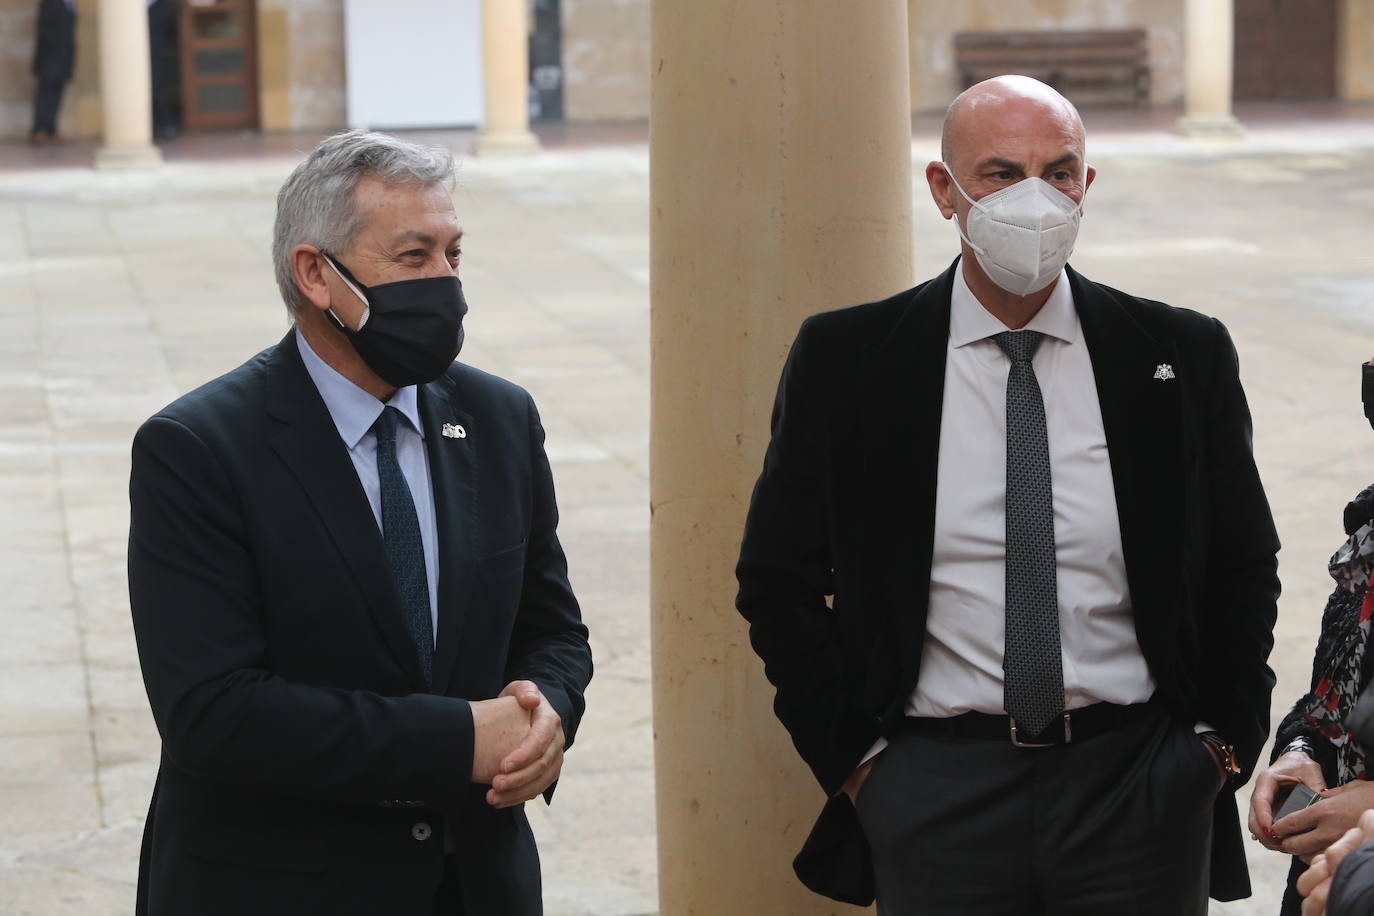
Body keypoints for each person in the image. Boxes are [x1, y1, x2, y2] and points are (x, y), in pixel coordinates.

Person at [734, 75, 1280, 914]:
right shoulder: (850, 360)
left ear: (1087, 187)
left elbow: (1242, 562)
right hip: (935, 788)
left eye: (1059, 172)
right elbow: (778, 581)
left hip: (1137, 784)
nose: (1035, 197)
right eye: (999, 173)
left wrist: (1217, 749)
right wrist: (862, 768)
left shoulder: (1177, 353)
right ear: (943, 190)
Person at [128, 130, 593, 915]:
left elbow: (553, 627)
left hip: (476, 885)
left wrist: (550, 709)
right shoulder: (199, 448)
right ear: (317, 274)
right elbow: (212, 711)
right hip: (277, 889)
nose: (446, 283)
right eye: (414, 258)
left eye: (454, 254)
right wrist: (456, 742)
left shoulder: (499, 417)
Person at [30, 0, 76, 145]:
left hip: (63, 58)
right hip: (50, 58)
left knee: (56, 93)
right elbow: (44, 31)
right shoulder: (50, 2)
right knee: (46, 93)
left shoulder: (70, 4)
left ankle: (51, 130)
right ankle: (40, 130)